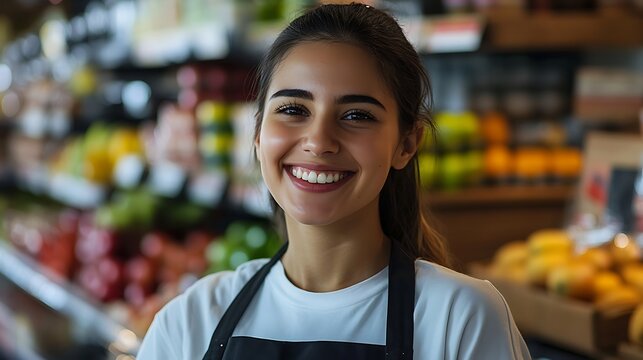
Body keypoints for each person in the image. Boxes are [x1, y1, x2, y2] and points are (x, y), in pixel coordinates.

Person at [137, 3, 531, 359]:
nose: (319, 142)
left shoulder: (461, 319)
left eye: (357, 115)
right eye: (293, 109)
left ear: (406, 144)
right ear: (257, 136)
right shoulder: (190, 323)